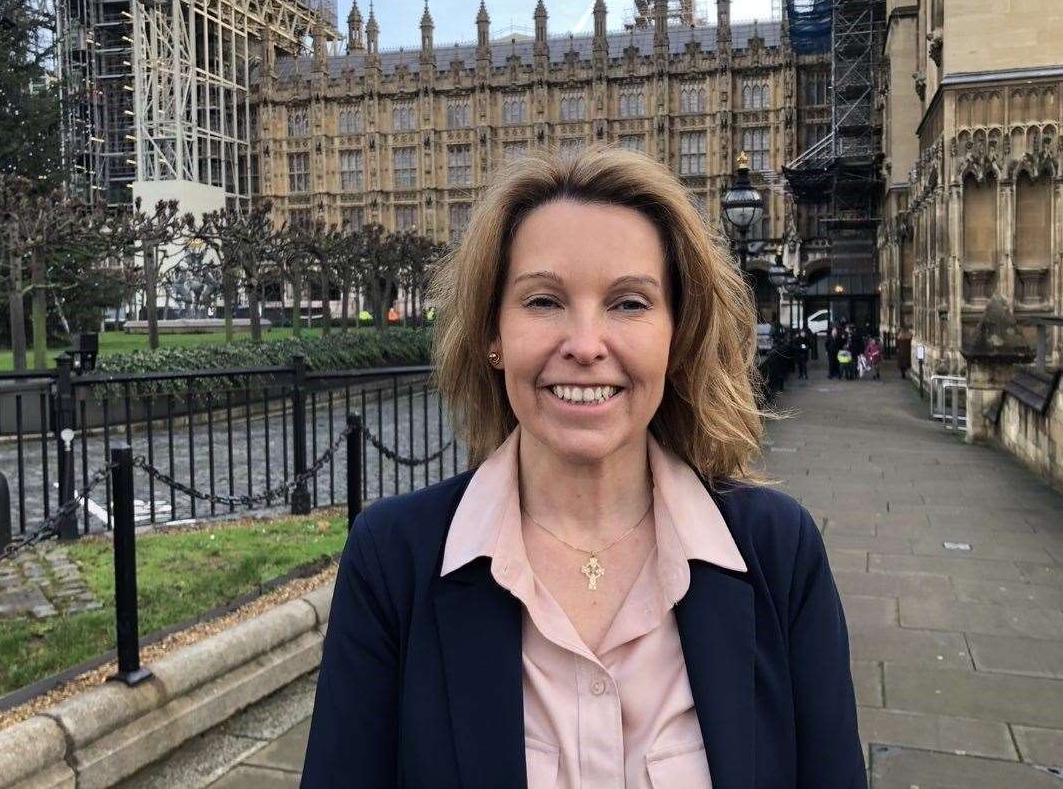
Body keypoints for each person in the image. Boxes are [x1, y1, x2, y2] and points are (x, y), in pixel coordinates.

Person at [301, 147, 866, 788]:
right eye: (543, 301)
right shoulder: (393, 560)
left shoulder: (777, 553)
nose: (586, 346)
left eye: (629, 304)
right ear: (492, 333)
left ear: (677, 334)